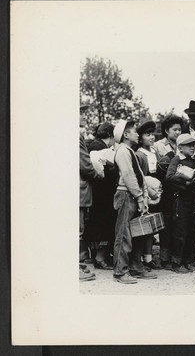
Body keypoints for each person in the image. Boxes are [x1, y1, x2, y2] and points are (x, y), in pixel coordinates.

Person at [112, 119, 157, 284]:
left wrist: (143, 196)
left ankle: (136, 268)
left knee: (137, 233)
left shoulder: (129, 150)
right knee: (124, 235)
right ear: (125, 134)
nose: (138, 134)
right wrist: (139, 196)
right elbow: (129, 176)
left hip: (132, 195)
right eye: (135, 131)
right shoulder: (123, 151)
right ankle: (120, 271)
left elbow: (138, 176)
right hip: (126, 195)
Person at [166, 133, 195, 274]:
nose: (192, 148)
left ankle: (188, 260)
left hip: (192, 200)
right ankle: (176, 262)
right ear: (180, 147)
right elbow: (169, 177)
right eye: (189, 145)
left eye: (193, 145)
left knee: (192, 231)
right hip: (180, 200)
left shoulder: (193, 161)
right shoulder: (176, 160)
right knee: (180, 231)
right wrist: (185, 183)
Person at [86, 122, 117, 270]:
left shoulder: (94, 144)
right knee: (103, 225)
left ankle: (100, 256)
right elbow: (102, 170)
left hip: (99, 193)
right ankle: (100, 258)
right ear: (110, 136)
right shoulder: (100, 147)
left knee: (99, 224)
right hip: (103, 194)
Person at [154, 115, 183, 268]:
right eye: (174, 130)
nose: (178, 132)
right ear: (166, 130)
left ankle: (176, 256)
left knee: (177, 222)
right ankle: (164, 257)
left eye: (179, 129)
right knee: (165, 221)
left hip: (178, 188)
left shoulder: (183, 144)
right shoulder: (158, 145)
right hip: (165, 187)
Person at [135, 120, 162, 270]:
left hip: (155, 189)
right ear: (140, 138)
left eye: (153, 134)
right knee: (142, 225)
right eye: (147, 134)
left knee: (151, 226)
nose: (152, 137)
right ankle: (140, 258)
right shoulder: (139, 153)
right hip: (146, 189)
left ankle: (149, 256)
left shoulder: (153, 152)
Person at [79, 105, 100, 281]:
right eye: (80, 113)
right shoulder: (75, 135)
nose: (84, 116)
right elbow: (85, 165)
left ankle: (78, 265)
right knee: (75, 229)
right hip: (78, 191)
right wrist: (97, 174)